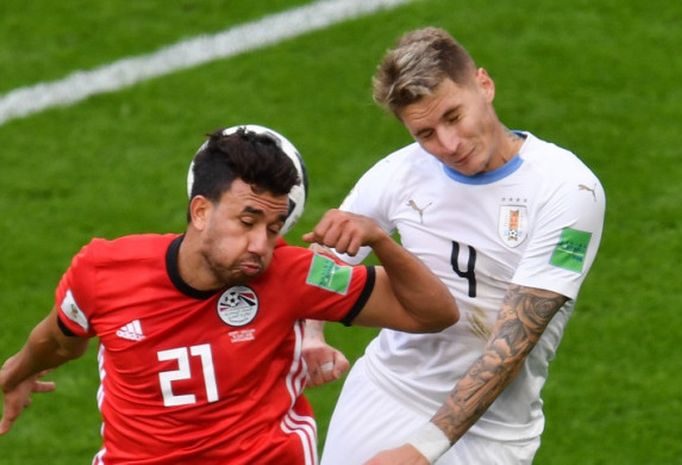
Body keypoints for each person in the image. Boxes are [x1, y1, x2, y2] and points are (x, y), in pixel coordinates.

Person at [0, 125, 458, 465]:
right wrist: (17, 372)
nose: (262, 243)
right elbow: (60, 339)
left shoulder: (296, 274)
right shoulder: (104, 271)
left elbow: (431, 312)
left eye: (274, 228)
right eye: (247, 221)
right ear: (201, 211)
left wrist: (379, 240)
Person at [302, 27, 606, 465]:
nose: (448, 145)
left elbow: (512, 342)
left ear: (484, 85)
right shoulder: (399, 173)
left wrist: (420, 451)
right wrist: (311, 333)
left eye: (453, 117)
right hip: (385, 392)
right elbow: (327, 260)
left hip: (492, 433)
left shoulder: (569, 189)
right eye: (424, 134)